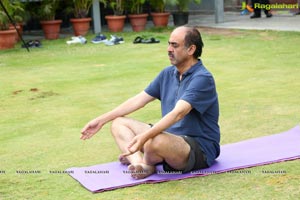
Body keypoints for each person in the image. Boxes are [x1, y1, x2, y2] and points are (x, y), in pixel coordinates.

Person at [81, 26, 220, 180]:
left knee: (154, 141)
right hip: (168, 138)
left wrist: (145, 136)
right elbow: (138, 100)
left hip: (198, 148)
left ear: (191, 49)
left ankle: (148, 155)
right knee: (118, 123)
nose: (168, 49)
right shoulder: (168, 73)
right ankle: (141, 163)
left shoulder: (202, 78)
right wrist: (101, 120)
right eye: (168, 44)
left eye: (175, 45)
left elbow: (178, 113)